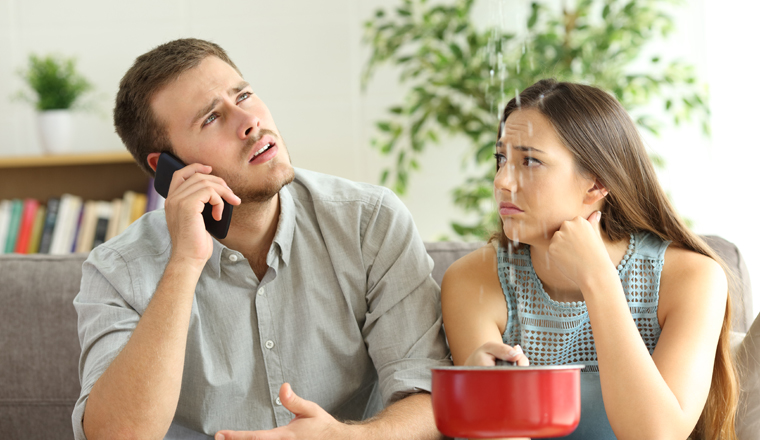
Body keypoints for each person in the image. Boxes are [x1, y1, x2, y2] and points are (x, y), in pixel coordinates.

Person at [72, 38, 451, 440]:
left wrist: (344, 437)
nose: (249, 121)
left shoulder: (369, 222)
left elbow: (430, 400)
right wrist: (185, 262)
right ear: (167, 167)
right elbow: (115, 435)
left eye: (244, 95)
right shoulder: (117, 271)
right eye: (211, 118)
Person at [441, 79, 738, 440]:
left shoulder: (694, 279)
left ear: (596, 184)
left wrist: (598, 280)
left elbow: (656, 436)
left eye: (530, 161)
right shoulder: (473, 281)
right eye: (501, 159)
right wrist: (479, 399)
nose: (502, 180)